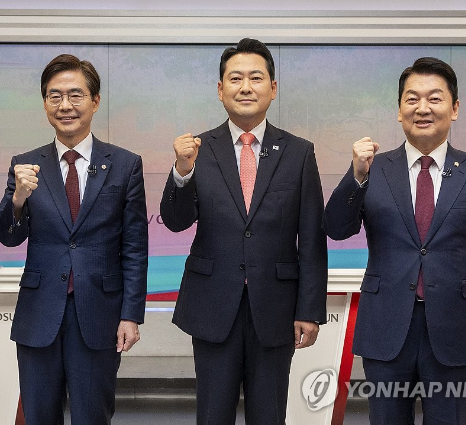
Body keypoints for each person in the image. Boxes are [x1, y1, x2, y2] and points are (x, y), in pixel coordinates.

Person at [323, 57, 466, 424]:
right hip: (386, 326)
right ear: (399, 110)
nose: (422, 108)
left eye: (434, 98)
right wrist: (356, 176)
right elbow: (336, 228)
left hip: (454, 329)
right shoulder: (373, 168)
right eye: (412, 99)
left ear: (454, 108)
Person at [159, 38, 328, 424]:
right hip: (213, 304)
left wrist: (310, 310)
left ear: (273, 88)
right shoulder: (199, 148)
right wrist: (182, 171)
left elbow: (311, 239)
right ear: (221, 90)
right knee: (212, 414)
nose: (246, 87)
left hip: (277, 307)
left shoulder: (299, 152)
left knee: (269, 415)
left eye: (256, 77)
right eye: (235, 79)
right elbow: (176, 221)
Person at [0, 53, 148, 425]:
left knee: (92, 415)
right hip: (39, 313)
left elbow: (134, 247)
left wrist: (131, 315)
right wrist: (18, 199)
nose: (65, 105)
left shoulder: (125, 164)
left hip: (99, 314)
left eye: (75, 95)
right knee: (39, 415)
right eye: (55, 96)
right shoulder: (26, 164)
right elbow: (8, 237)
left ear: (95, 101)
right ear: (45, 103)